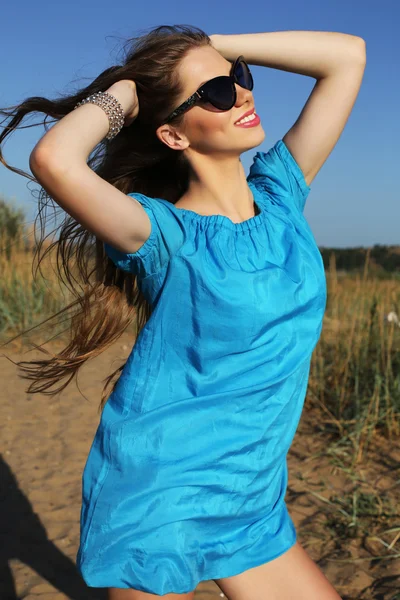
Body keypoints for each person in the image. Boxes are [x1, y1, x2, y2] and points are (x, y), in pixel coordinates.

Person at [1, 24, 366, 600]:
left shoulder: (280, 197)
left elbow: (347, 56)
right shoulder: (163, 233)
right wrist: (128, 89)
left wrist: (215, 47)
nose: (242, 94)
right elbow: (54, 158)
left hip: (249, 498)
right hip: (161, 496)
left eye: (239, 80)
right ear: (173, 134)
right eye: (217, 93)